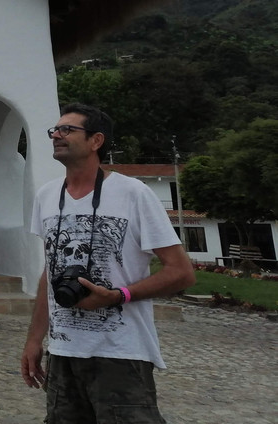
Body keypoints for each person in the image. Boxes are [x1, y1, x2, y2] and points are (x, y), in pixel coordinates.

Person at [20, 103, 195, 423]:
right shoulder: (46, 196)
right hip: (63, 353)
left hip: (121, 354)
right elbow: (50, 272)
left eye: (67, 130)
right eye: (54, 130)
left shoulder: (134, 194)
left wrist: (118, 296)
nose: (56, 135)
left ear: (96, 141)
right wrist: (35, 340)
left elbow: (181, 272)